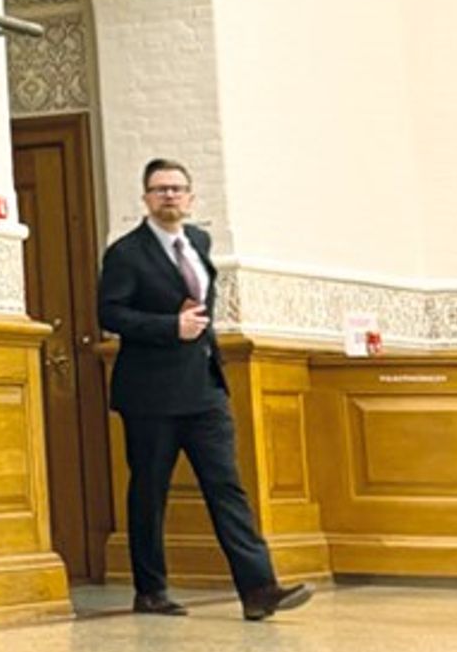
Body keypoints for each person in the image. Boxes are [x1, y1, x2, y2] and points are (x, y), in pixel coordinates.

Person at [99, 159, 311, 620]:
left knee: (227, 487)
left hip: (204, 390)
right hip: (151, 396)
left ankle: (259, 589)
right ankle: (150, 590)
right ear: (146, 199)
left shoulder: (198, 242)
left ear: (191, 197)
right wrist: (168, 326)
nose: (169, 196)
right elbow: (110, 314)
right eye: (159, 190)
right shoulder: (126, 254)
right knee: (150, 493)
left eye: (177, 189)